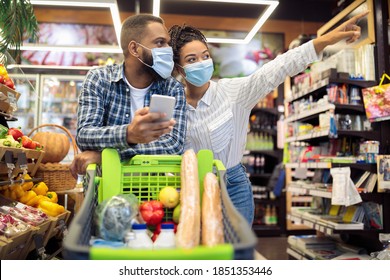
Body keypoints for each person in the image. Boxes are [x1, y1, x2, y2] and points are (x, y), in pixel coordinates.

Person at [168, 11, 369, 225]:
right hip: (191, 188)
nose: (202, 62)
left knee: (236, 252)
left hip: (233, 187)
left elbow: (277, 68)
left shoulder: (233, 92)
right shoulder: (174, 105)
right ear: (179, 68)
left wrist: (326, 39)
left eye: (205, 56)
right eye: (192, 59)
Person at [69, 14, 187, 178]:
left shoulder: (173, 88)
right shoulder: (100, 80)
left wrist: (106, 156)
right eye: (160, 43)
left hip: (155, 193)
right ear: (134, 49)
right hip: (105, 190)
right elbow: (85, 136)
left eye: (167, 43)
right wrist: (129, 134)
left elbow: (173, 146)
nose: (168, 49)